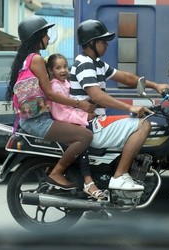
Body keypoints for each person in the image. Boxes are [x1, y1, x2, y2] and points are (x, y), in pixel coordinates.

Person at [70, 19, 169, 191]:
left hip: (94, 121)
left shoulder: (97, 64)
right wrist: (129, 107)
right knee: (143, 125)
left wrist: (156, 86)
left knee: (143, 123)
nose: (107, 45)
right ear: (92, 43)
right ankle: (119, 176)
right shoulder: (85, 64)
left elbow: (125, 77)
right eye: (103, 41)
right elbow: (96, 95)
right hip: (89, 124)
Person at [6, 15, 95, 190]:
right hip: (38, 121)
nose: (48, 38)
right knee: (85, 136)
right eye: (46, 34)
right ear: (37, 36)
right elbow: (50, 94)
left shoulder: (26, 59)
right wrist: (79, 104)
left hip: (31, 119)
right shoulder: (36, 59)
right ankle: (56, 173)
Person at [47, 53, 104, 199]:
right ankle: (87, 179)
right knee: (84, 139)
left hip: (73, 119)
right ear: (51, 70)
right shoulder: (55, 86)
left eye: (65, 66)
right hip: (65, 123)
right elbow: (62, 112)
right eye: (58, 67)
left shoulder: (66, 84)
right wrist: (85, 116)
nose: (63, 70)